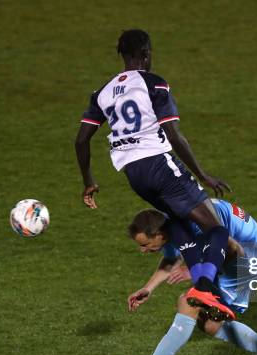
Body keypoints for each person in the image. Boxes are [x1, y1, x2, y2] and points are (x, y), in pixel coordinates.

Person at [75, 29, 233, 318]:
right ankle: (206, 287)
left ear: (122, 55)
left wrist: (89, 182)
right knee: (217, 229)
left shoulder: (102, 93)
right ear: (146, 54)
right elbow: (174, 135)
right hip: (160, 165)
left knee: (179, 228)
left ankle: (206, 295)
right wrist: (202, 175)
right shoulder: (154, 84)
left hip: (134, 175)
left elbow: (81, 140)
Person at [109, 199, 257, 355]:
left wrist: (192, 271)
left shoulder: (196, 225)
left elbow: (234, 250)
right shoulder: (168, 223)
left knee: (190, 302)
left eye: (145, 244)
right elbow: (171, 256)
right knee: (207, 322)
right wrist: (148, 288)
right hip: (239, 252)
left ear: (158, 234)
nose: (142, 251)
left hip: (251, 254)